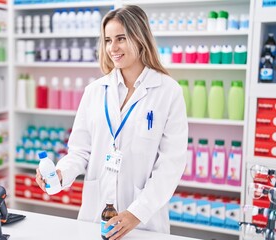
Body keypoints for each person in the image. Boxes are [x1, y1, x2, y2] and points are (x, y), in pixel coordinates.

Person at [36, 5, 188, 240]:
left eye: (121, 38)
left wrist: (136, 213)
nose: (112, 48)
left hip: (143, 225)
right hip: (95, 218)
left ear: (140, 38)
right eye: (107, 40)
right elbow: (79, 152)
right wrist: (60, 173)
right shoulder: (94, 91)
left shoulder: (168, 91)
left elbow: (171, 166)